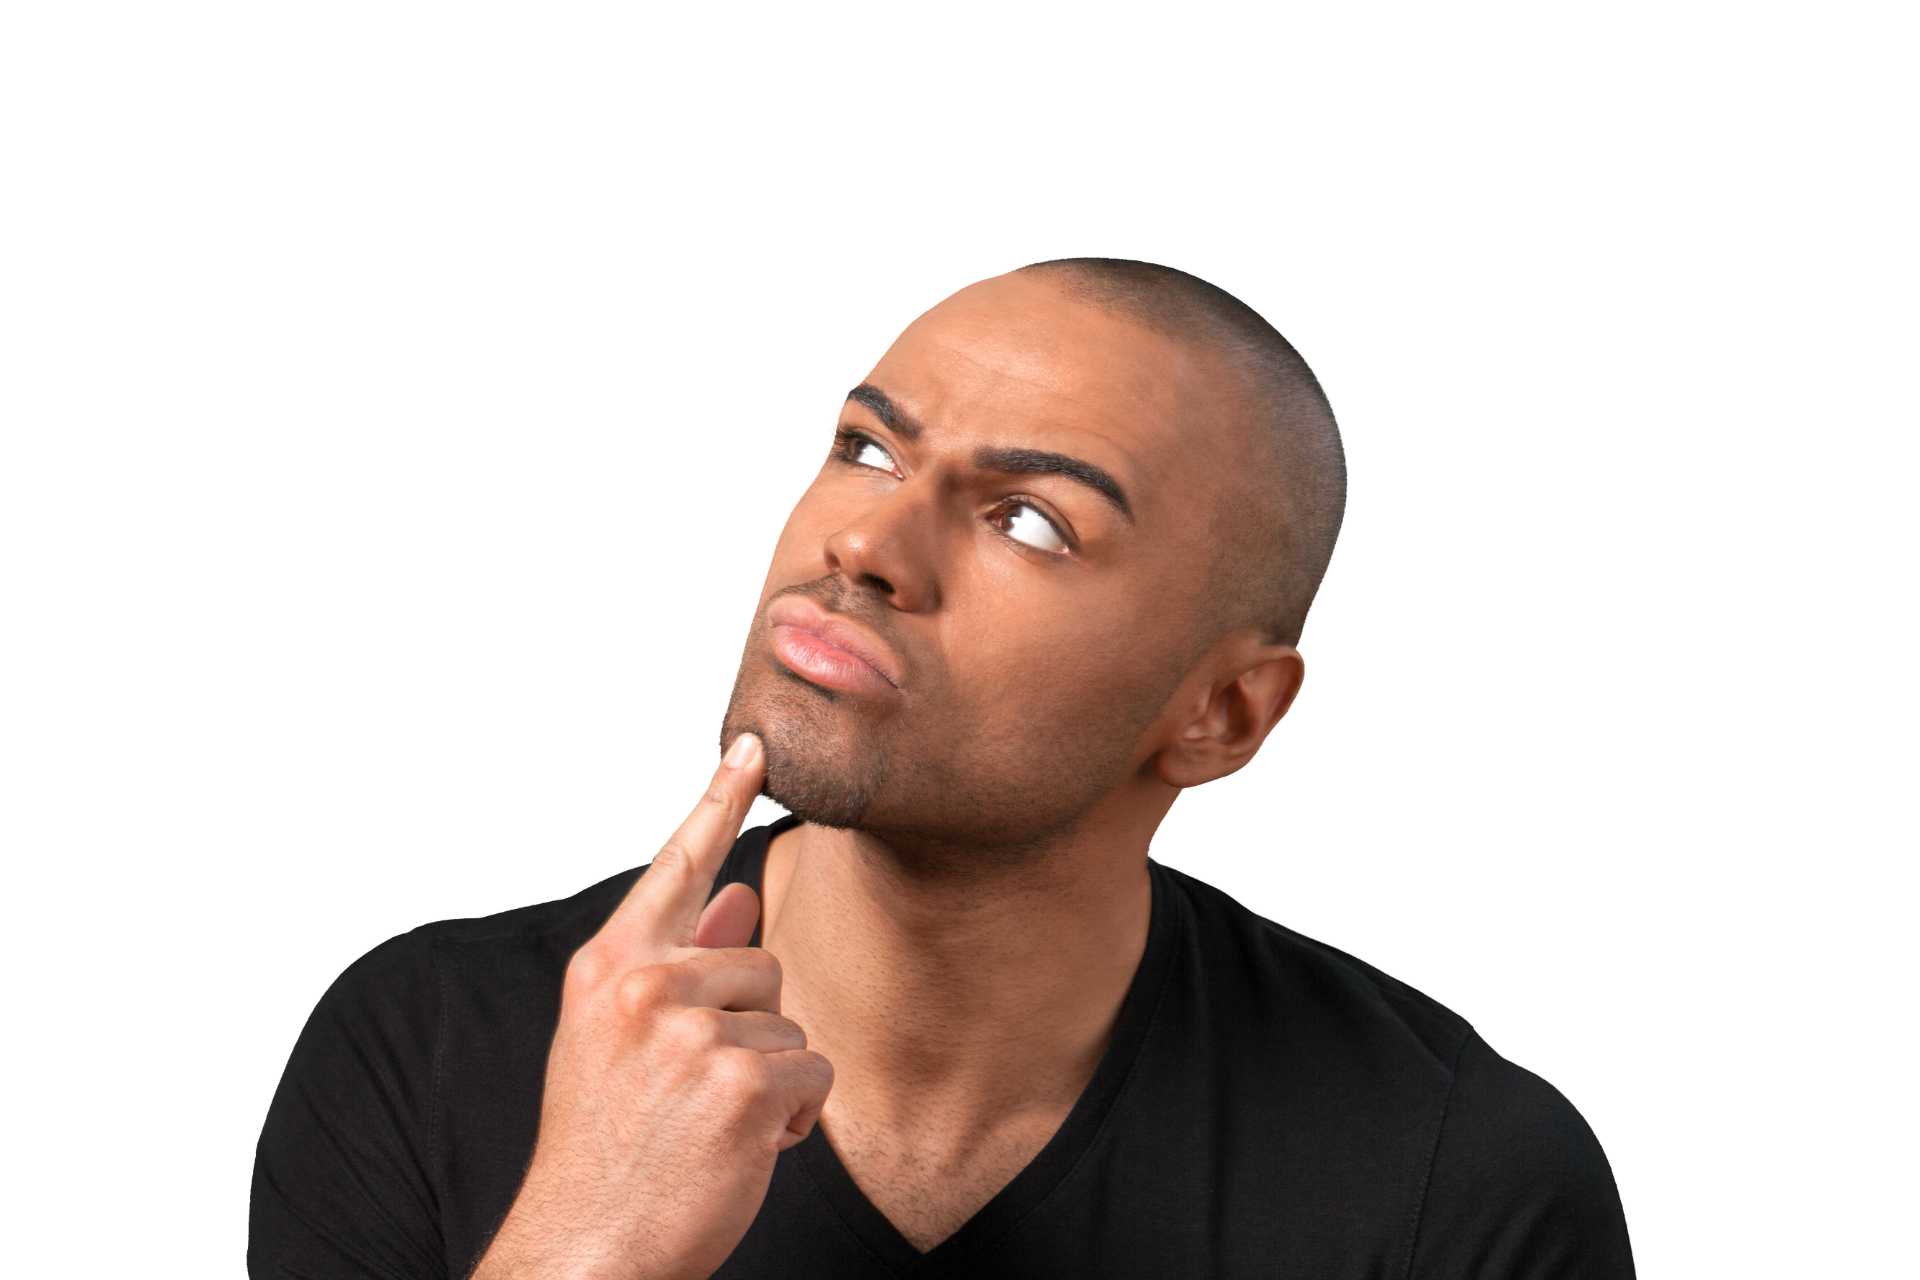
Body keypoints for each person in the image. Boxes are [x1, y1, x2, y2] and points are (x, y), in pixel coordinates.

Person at [250, 260, 1635, 1279]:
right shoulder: (426, 1052)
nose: (867, 543)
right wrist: (582, 1247)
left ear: (1220, 711)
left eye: (1028, 521)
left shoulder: (1453, 1188)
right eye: (867, 448)